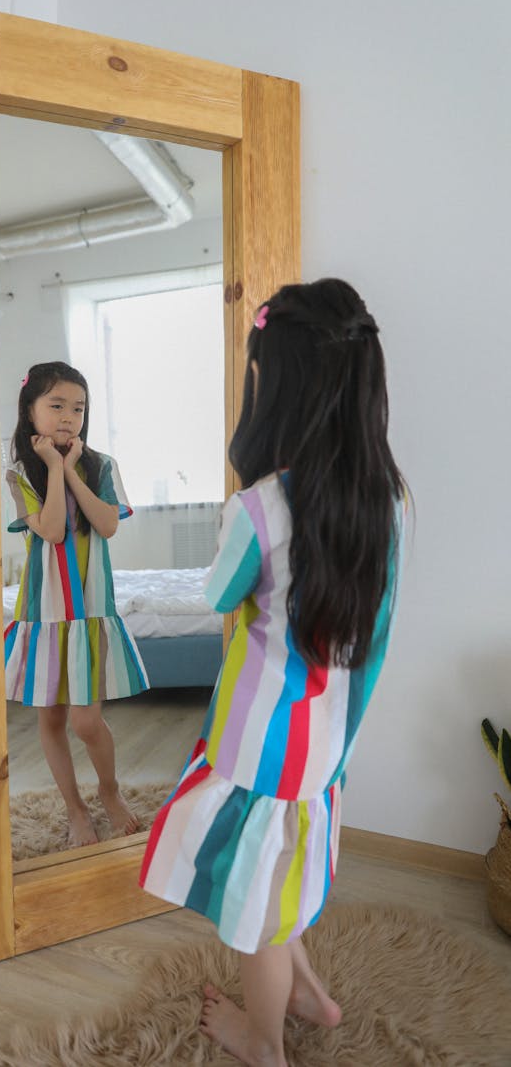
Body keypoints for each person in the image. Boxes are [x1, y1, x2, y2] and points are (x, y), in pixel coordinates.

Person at [139, 279, 408, 1067]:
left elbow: (219, 593)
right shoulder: (382, 504)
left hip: (256, 740)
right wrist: (344, 747)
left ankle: (264, 1043)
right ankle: (310, 996)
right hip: (321, 740)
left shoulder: (259, 507)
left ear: (278, 388)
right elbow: (379, 643)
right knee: (280, 872)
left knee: (253, 903)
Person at [4, 361, 149, 848]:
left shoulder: (101, 464)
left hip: (89, 606)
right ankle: (74, 808)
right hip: (43, 610)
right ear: (31, 411)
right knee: (50, 718)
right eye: (57, 405)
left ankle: (109, 792)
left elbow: (106, 526)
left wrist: (69, 470)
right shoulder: (21, 472)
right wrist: (49, 469)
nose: (69, 416)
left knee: (86, 720)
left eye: (78, 408)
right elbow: (50, 529)